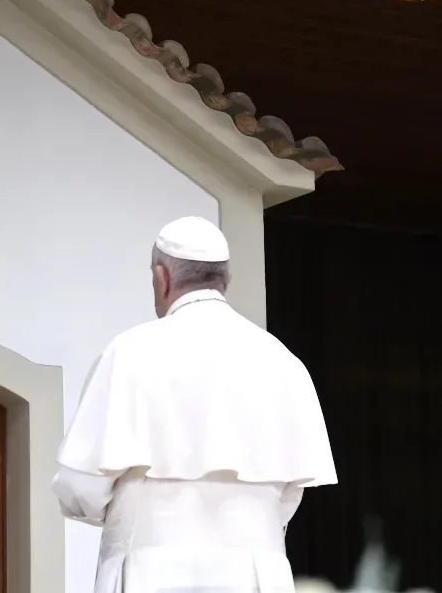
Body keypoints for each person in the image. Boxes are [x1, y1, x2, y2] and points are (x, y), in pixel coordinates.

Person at [52, 216, 337, 592]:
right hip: (253, 575)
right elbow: (288, 497)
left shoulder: (129, 353)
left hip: (149, 572)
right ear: (226, 281)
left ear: (161, 278)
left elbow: (80, 487)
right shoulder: (283, 361)